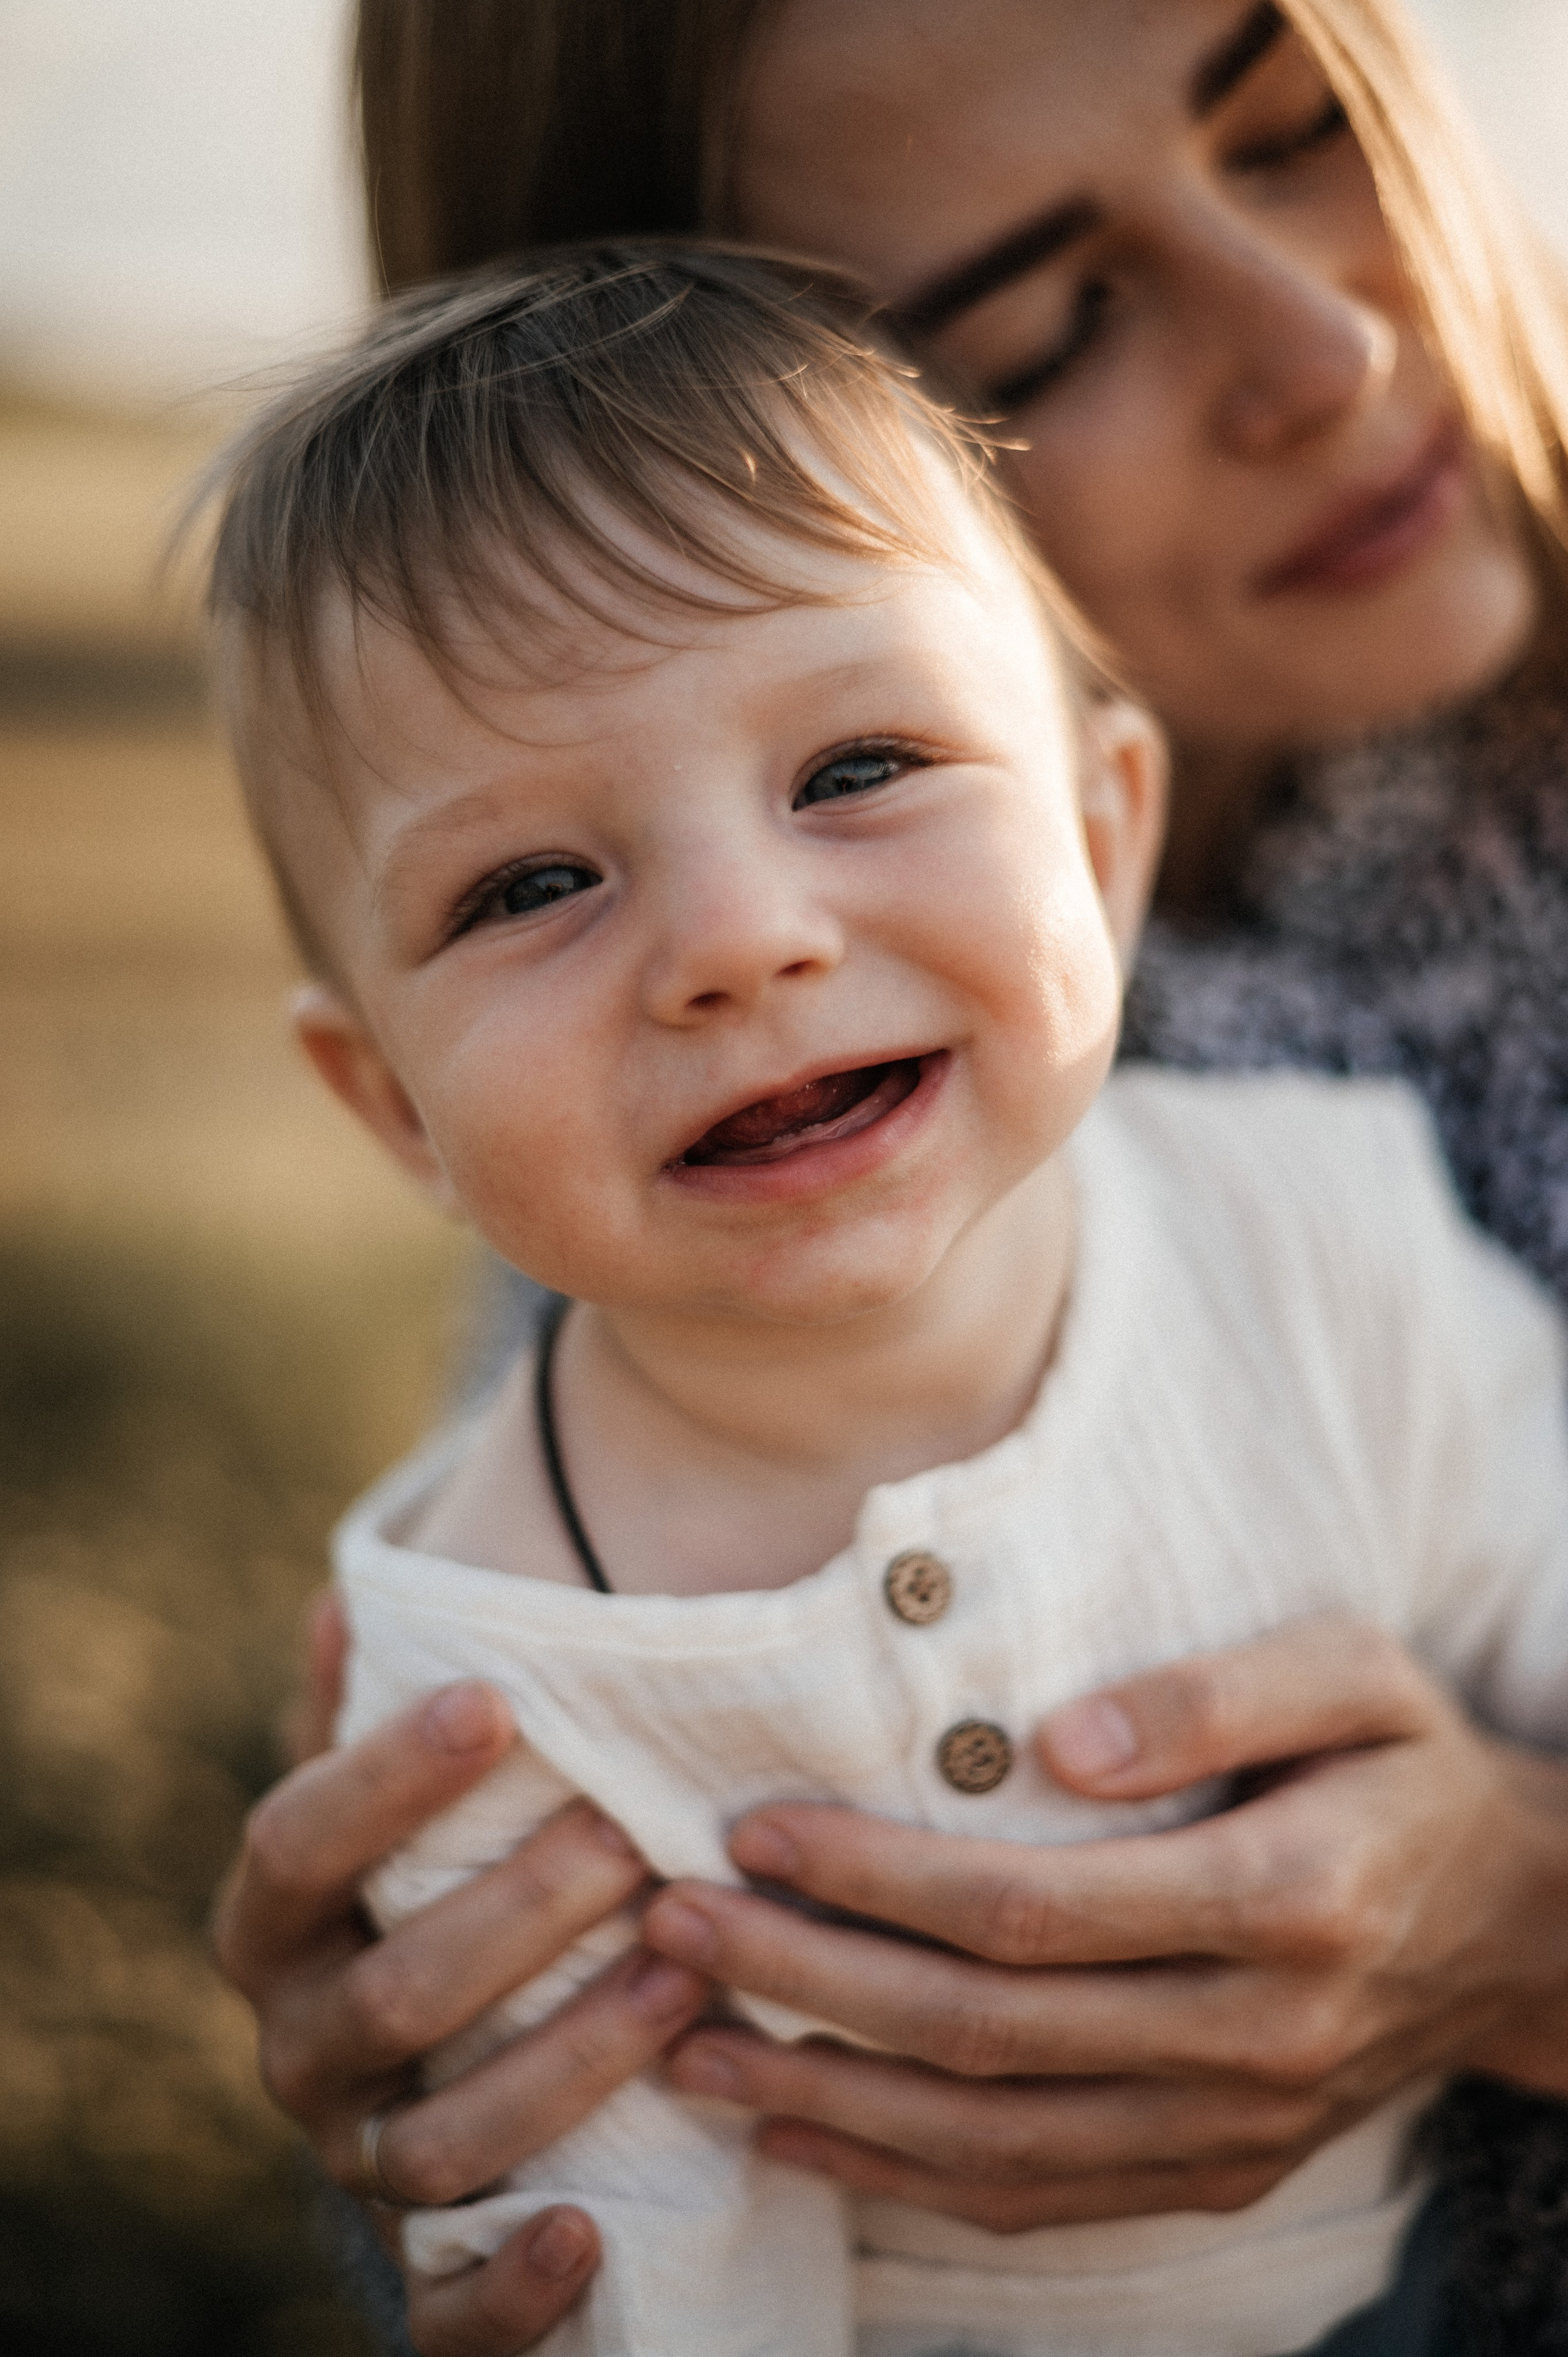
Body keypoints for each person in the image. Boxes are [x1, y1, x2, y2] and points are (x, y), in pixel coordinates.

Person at [210, 5, 1568, 2353]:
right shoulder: (689, 1262)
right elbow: (559, 2196)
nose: (1326, 345)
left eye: (1300, 123)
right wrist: (455, 2144)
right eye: (1047, 323)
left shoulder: (1301, 1223)